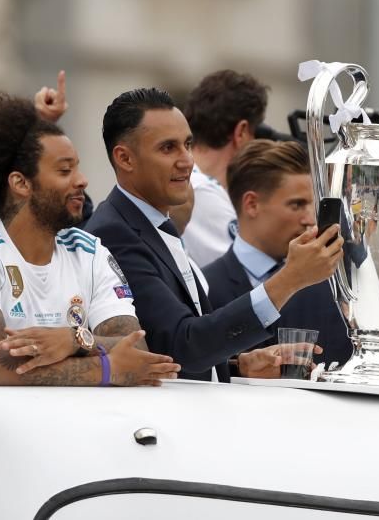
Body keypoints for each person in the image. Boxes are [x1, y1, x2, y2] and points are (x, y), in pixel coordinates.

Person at [0, 96, 179, 387]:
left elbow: (135, 349)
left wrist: (75, 339)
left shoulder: (90, 252)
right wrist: (108, 369)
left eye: (77, 168)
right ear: (21, 184)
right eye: (65, 170)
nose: (82, 181)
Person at [86, 88, 342, 381]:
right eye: (168, 148)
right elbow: (183, 344)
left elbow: (173, 353)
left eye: (188, 144)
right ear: (125, 159)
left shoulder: (154, 225)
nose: (187, 161)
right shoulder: (114, 233)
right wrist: (290, 279)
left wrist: (237, 365)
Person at [202, 139, 352, 365]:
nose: (310, 219)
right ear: (251, 204)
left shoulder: (334, 288)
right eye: (297, 205)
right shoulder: (204, 288)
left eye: (313, 205)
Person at [180, 70, 269, 267]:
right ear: (242, 132)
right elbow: (251, 274)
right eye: (255, 134)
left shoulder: (191, 182)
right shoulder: (199, 190)